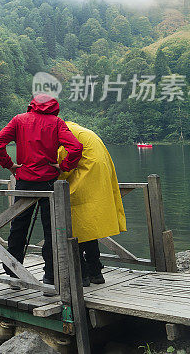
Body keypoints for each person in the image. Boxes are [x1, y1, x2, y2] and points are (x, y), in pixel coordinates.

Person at [0, 94, 83, 285]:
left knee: (18, 225)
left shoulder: (19, 120)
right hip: (48, 181)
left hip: (24, 179)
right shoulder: (57, 123)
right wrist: (63, 166)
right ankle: (50, 274)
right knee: (51, 228)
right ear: (54, 107)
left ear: (31, 105)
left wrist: (9, 165)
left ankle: (12, 269)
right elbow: (75, 147)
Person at [56, 121, 127, 286]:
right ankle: (96, 272)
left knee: (76, 231)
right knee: (89, 232)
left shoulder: (66, 133)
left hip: (84, 182)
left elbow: (65, 164)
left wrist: (52, 176)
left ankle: (81, 276)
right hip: (98, 182)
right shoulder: (81, 131)